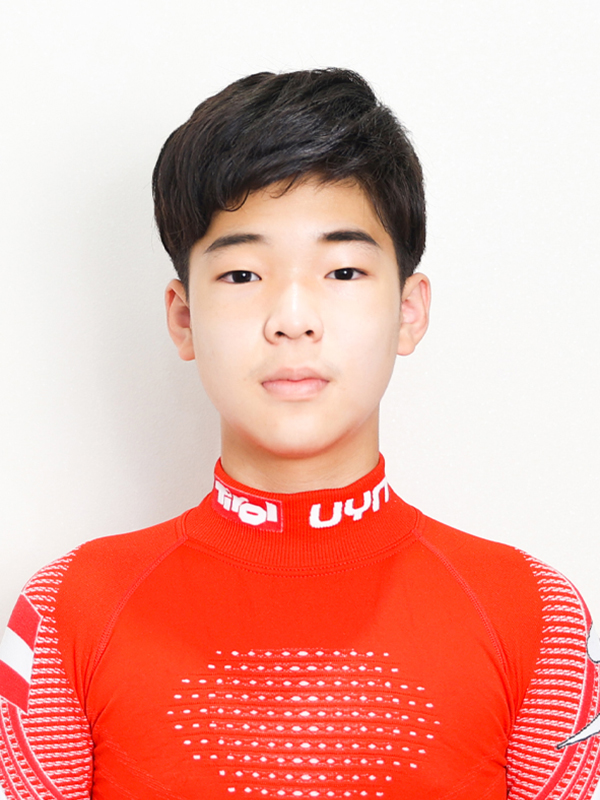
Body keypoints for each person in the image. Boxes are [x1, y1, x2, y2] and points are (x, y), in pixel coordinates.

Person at [0, 68, 598, 800]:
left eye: (342, 271)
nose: (292, 319)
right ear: (183, 318)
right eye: (242, 275)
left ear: (409, 311)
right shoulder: (66, 611)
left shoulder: (537, 615)